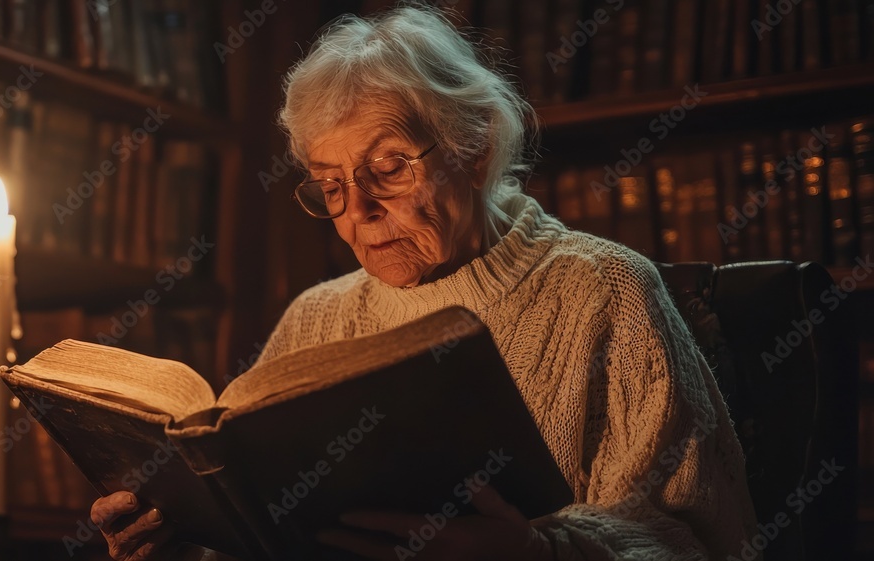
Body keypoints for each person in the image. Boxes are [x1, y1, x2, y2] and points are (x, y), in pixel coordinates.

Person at [91, 5, 758, 560]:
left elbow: (700, 537)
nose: (357, 209)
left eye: (388, 168)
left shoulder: (606, 290)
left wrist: (539, 551)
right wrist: (186, 537)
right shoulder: (315, 317)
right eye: (331, 184)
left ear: (475, 147)